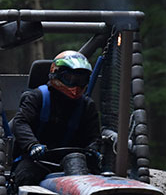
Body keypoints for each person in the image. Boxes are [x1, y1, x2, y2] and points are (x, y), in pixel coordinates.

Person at [10, 50, 102, 186]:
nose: (76, 85)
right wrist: (32, 145)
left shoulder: (87, 106)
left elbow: (94, 137)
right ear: (56, 74)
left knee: (94, 181)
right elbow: (21, 122)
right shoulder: (37, 97)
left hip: (76, 162)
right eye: (69, 78)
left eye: (81, 80)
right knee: (26, 177)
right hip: (37, 161)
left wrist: (93, 149)